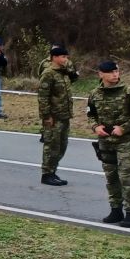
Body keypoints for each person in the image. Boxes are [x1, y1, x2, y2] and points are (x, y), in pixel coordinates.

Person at [86, 60, 130, 228]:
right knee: (111, 177)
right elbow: (90, 113)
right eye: (111, 72)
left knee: (127, 177)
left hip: (125, 142)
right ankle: (116, 210)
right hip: (106, 143)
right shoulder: (94, 94)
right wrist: (95, 127)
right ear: (101, 74)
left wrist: (123, 128)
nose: (115, 74)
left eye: (116, 71)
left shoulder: (129, 92)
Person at [38, 45, 78, 187]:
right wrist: (46, 116)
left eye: (66, 57)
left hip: (64, 115)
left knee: (62, 145)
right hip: (53, 116)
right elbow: (43, 96)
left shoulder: (64, 72)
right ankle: (46, 174)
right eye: (63, 57)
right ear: (55, 57)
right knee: (51, 145)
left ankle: (53, 171)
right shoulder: (48, 73)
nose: (65, 59)